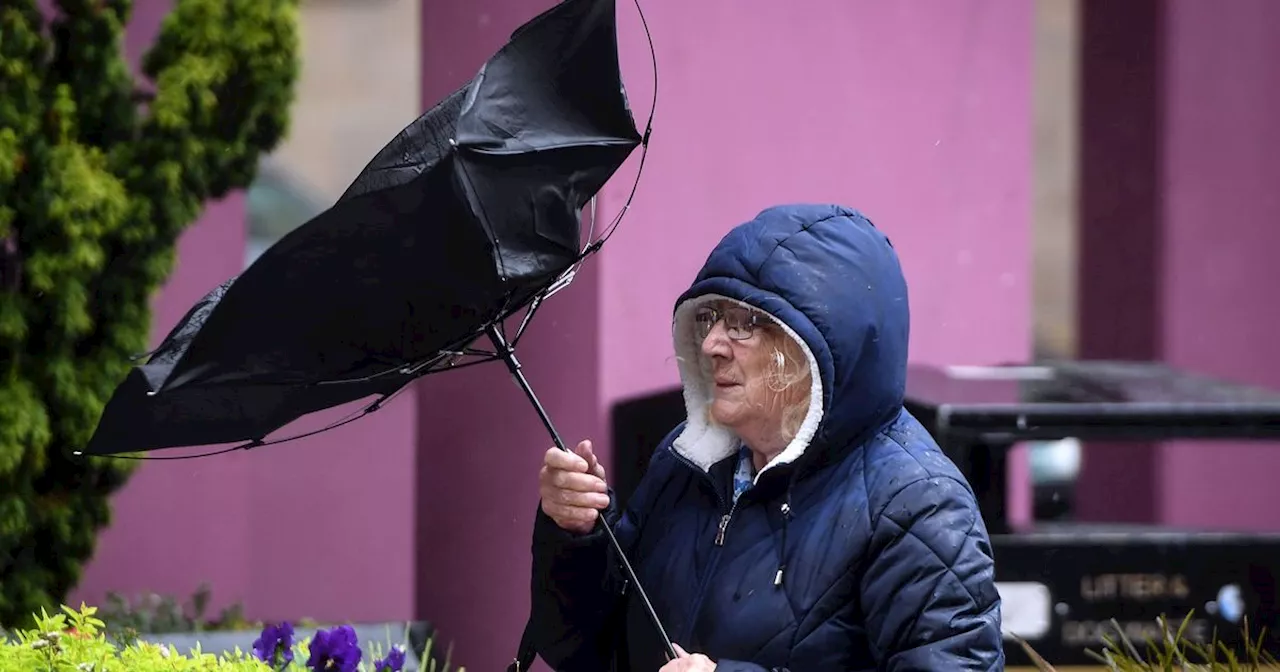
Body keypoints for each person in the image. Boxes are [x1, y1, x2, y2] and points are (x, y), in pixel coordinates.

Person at [528, 204, 1003, 671]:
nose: (712, 344)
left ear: (817, 345)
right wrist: (577, 534)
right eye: (711, 317)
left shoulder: (918, 507)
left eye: (744, 323)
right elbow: (586, 650)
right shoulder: (688, 461)